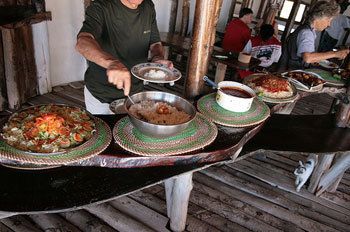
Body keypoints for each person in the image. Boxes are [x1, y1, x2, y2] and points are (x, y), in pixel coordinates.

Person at [76, 0, 172, 114]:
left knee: (129, 131)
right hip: (101, 96)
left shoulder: (148, 6)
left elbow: (155, 43)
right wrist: (112, 63)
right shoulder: (100, 6)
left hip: (135, 96)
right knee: (103, 131)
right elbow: (83, 42)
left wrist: (157, 58)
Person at [278, 1, 349, 71]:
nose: (329, 24)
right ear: (320, 17)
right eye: (328, 20)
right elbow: (308, 58)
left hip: (286, 68)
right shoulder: (307, 33)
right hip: (288, 72)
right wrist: (335, 54)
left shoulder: (306, 28)